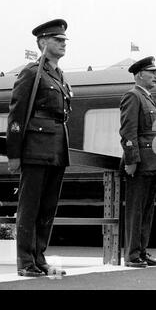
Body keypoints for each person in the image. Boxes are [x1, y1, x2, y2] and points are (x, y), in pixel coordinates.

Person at [6, 19, 72, 277]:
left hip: (56, 147)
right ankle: (25, 261)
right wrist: (14, 154)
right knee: (30, 206)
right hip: (35, 147)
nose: (63, 44)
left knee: (48, 206)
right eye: (58, 40)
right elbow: (16, 116)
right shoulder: (32, 73)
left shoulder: (58, 75)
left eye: (64, 40)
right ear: (43, 42)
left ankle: (39, 257)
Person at [120, 56, 156, 267]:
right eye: (152, 72)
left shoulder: (147, 97)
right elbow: (128, 131)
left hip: (153, 162)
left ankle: (141, 251)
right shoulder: (133, 96)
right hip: (140, 163)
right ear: (140, 74)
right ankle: (132, 255)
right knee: (136, 209)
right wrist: (131, 160)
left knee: (146, 209)